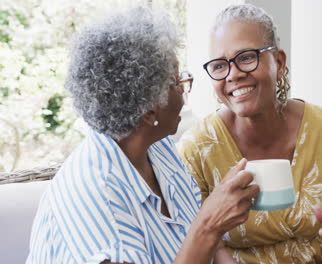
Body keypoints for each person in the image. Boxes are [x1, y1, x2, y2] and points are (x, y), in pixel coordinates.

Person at [26, 7, 259, 264]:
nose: (184, 91)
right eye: (177, 83)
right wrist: (209, 225)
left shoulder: (159, 149)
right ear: (149, 111)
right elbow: (202, 235)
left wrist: (211, 234)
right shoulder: (96, 196)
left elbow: (212, 249)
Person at [177, 4, 322, 264]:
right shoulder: (197, 147)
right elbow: (194, 243)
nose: (234, 74)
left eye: (247, 57)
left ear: (279, 62)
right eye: (219, 65)